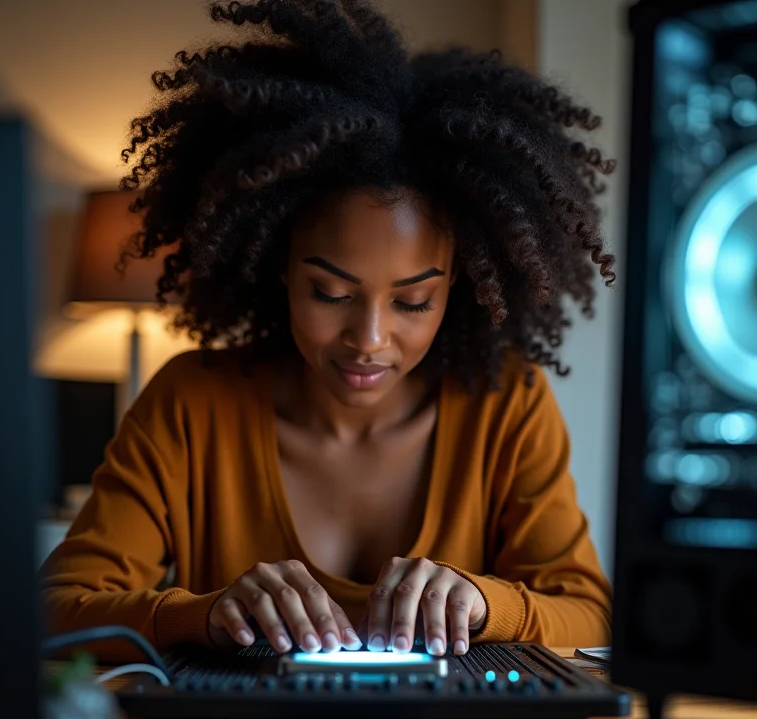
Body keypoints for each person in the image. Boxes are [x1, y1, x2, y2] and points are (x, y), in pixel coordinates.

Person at [40, 0, 617, 662]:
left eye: (413, 302)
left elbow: (592, 617)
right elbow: (56, 610)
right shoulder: (190, 403)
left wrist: (487, 603)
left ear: (458, 283)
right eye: (331, 292)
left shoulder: (506, 403)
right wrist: (203, 613)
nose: (368, 339)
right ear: (278, 267)